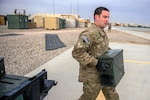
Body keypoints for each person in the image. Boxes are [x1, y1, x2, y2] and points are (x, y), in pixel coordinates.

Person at [72, 7, 119, 100]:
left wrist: (112, 54)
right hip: (92, 76)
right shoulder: (89, 34)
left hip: (105, 72)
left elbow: (102, 48)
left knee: (112, 96)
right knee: (88, 97)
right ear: (96, 17)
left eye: (108, 17)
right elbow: (77, 53)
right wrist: (96, 63)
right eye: (104, 17)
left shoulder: (101, 32)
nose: (107, 20)